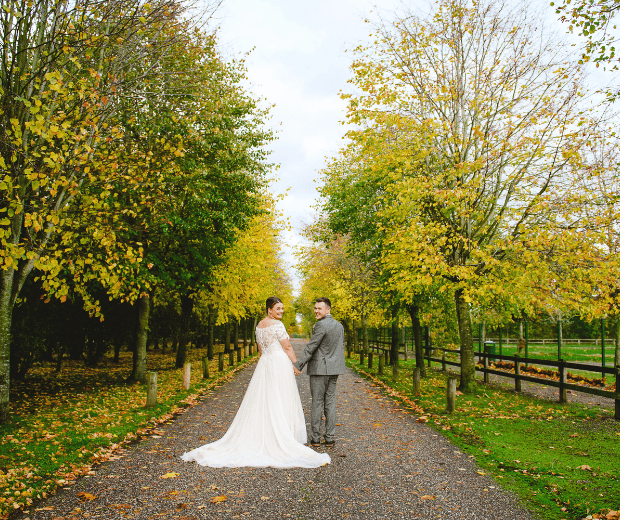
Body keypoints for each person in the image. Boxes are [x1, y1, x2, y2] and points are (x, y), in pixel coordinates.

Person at [180, 297, 330, 468]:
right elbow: (287, 347)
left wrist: (268, 360)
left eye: (282, 309)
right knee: (281, 397)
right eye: (278, 309)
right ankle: (282, 436)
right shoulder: (277, 326)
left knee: (265, 398)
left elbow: (261, 349)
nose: (281, 311)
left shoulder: (259, 325)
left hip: (265, 363)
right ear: (269, 310)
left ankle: (266, 433)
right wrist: (296, 363)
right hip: (279, 363)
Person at [295, 297, 345, 448]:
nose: (316, 311)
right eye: (315, 308)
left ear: (328, 310)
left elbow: (311, 347)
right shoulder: (339, 326)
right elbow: (340, 347)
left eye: (319, 308)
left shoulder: (321, 325)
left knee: (317, 402)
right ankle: (330, 438)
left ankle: (316, 438)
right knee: (330, 402)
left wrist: (299, 364)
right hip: (334, 369)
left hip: (319, 370)